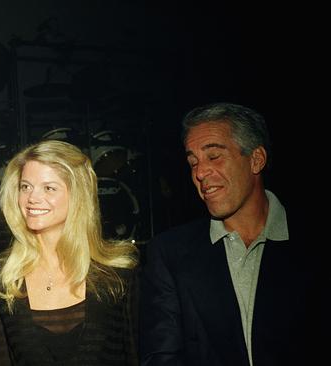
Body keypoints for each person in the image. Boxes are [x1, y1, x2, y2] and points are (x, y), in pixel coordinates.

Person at [139, 103, 324, 365]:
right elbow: (161, 356)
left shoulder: (316, 243)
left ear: (256, 160)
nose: (200, 173)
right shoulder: (170, 253)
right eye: (193, 162)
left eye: (214, 156)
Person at [0, 140, 139, 365]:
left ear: (78, 196)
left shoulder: (118, 273)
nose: (32, 198)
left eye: (49, 188)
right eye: (25, 187)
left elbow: (136, 356)